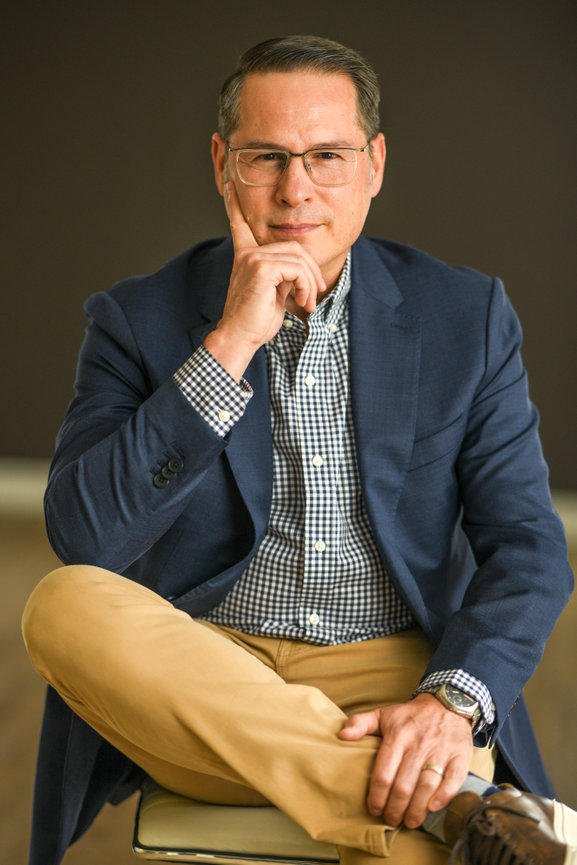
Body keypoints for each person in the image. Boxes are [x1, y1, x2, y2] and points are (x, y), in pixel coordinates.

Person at [22, 34, 576, 865]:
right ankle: (453, 803)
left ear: (375, 162)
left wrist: (449, 703)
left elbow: (528, 547)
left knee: (409, 758)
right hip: (207, 672)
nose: (295, 190)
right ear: (220, 163)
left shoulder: (467, 315)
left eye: (326, 155)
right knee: (60, 605)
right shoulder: (136, 319)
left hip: (394, 670)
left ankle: (401, 784)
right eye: (264, 157)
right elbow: (85, 537)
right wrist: (228, 345)